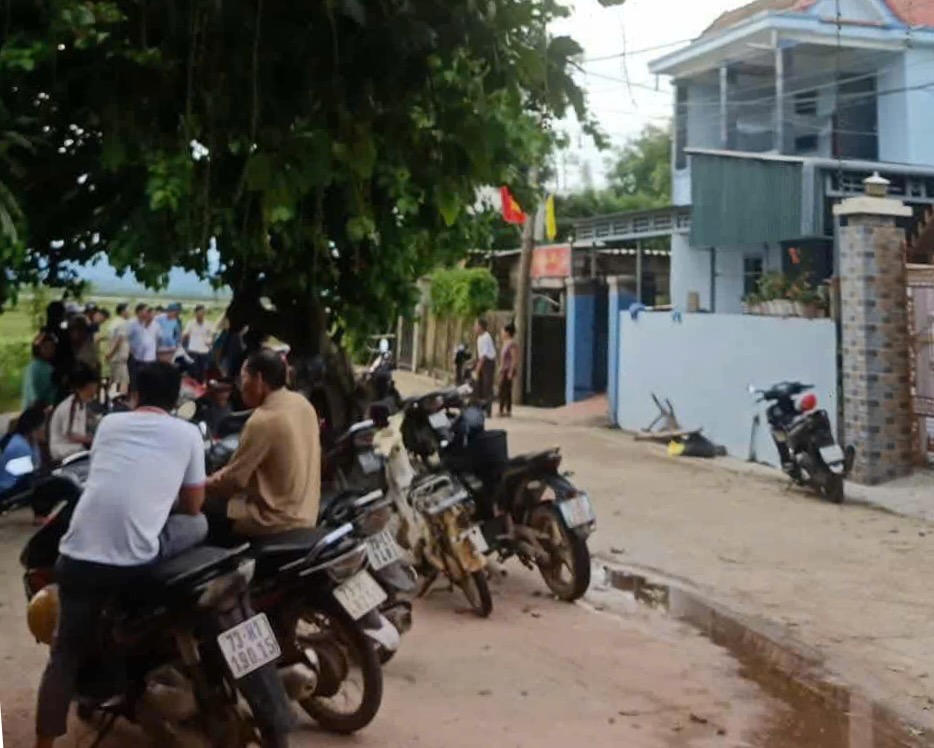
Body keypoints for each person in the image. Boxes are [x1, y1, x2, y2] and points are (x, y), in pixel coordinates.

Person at [33, 362, 208, 748]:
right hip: (133, 566)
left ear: (136, 395)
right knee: (201, 527)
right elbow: (194, 505)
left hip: (76, 558)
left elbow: (104, 475)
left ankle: (43, 743)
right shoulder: (189, 433)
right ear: (175, 399)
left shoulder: (110, 425)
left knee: (63, 655)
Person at [206, 350, 320, 539]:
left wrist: (201, 484)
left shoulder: (264, 420)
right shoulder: (302, 404)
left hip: (274, 520)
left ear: (258, 379)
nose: (240, 387)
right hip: (307, 512)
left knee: (203, 506)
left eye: (243, 379)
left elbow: (233, 481)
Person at [48, 364, 99, 462]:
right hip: (63, 448)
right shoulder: (69, 406)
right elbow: (69, 434)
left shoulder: (81, 403)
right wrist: (92, 440)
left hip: (74, 446)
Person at [22, 334, 58, 410]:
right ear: (37, 349)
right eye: (46, 347)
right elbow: (33, 394)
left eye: (52, 347)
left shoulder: (49, 367)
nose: (50, 350)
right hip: (37, 413)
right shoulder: (33, 368)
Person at [127, 303, 157, 386]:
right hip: (133, 356)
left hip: (142, 357)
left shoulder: (143, 323)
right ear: (139, 312)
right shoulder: (132, 323)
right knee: (133, 379)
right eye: (146, 311)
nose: (148, 313)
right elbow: (126, 338)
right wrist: (130, 350)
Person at [183, 305, 214, 382]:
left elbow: (213, 335)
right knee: (193, 371)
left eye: (203, 313)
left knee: (203, 372)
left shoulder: (208, 324)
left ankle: (201, 388)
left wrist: (210, 342)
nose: (201, 315)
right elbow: (185, 335)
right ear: (195, 313)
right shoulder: (190, 323)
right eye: (199, 313)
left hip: (204, 351)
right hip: (193, 350)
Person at [106, 303, 132, 395]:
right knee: (123, 382)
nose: (130, 312)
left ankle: (109, 399)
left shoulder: (114, 322)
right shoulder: (122, 323)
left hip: (114, 357)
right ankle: (118, 401)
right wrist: (111, 353)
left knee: (113, 380)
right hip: (119, 356)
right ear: (123, 311)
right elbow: (119, 340)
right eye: (129, 309)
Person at [473, 318, 496, 417]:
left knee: (487, 386)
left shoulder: (486, 337)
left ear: (481, 327)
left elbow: (484, 355)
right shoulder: (479, 337)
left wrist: (477, 370)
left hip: (487, 363)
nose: (474, 327)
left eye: (476, 325)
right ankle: (479, 408)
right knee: (479, 386)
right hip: (482, 362)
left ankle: (488, 410)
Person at [498, 322, 518, 417]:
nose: (501, 333)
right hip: (504, 369)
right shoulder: (505, 343)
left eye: (503, 331)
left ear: (507, 332)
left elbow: (514, 358)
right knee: (504, 389)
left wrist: (511, 371)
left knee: (504, 389)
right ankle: (505, 409)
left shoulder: (511, 344)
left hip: (508, 370)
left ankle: (504, 410)